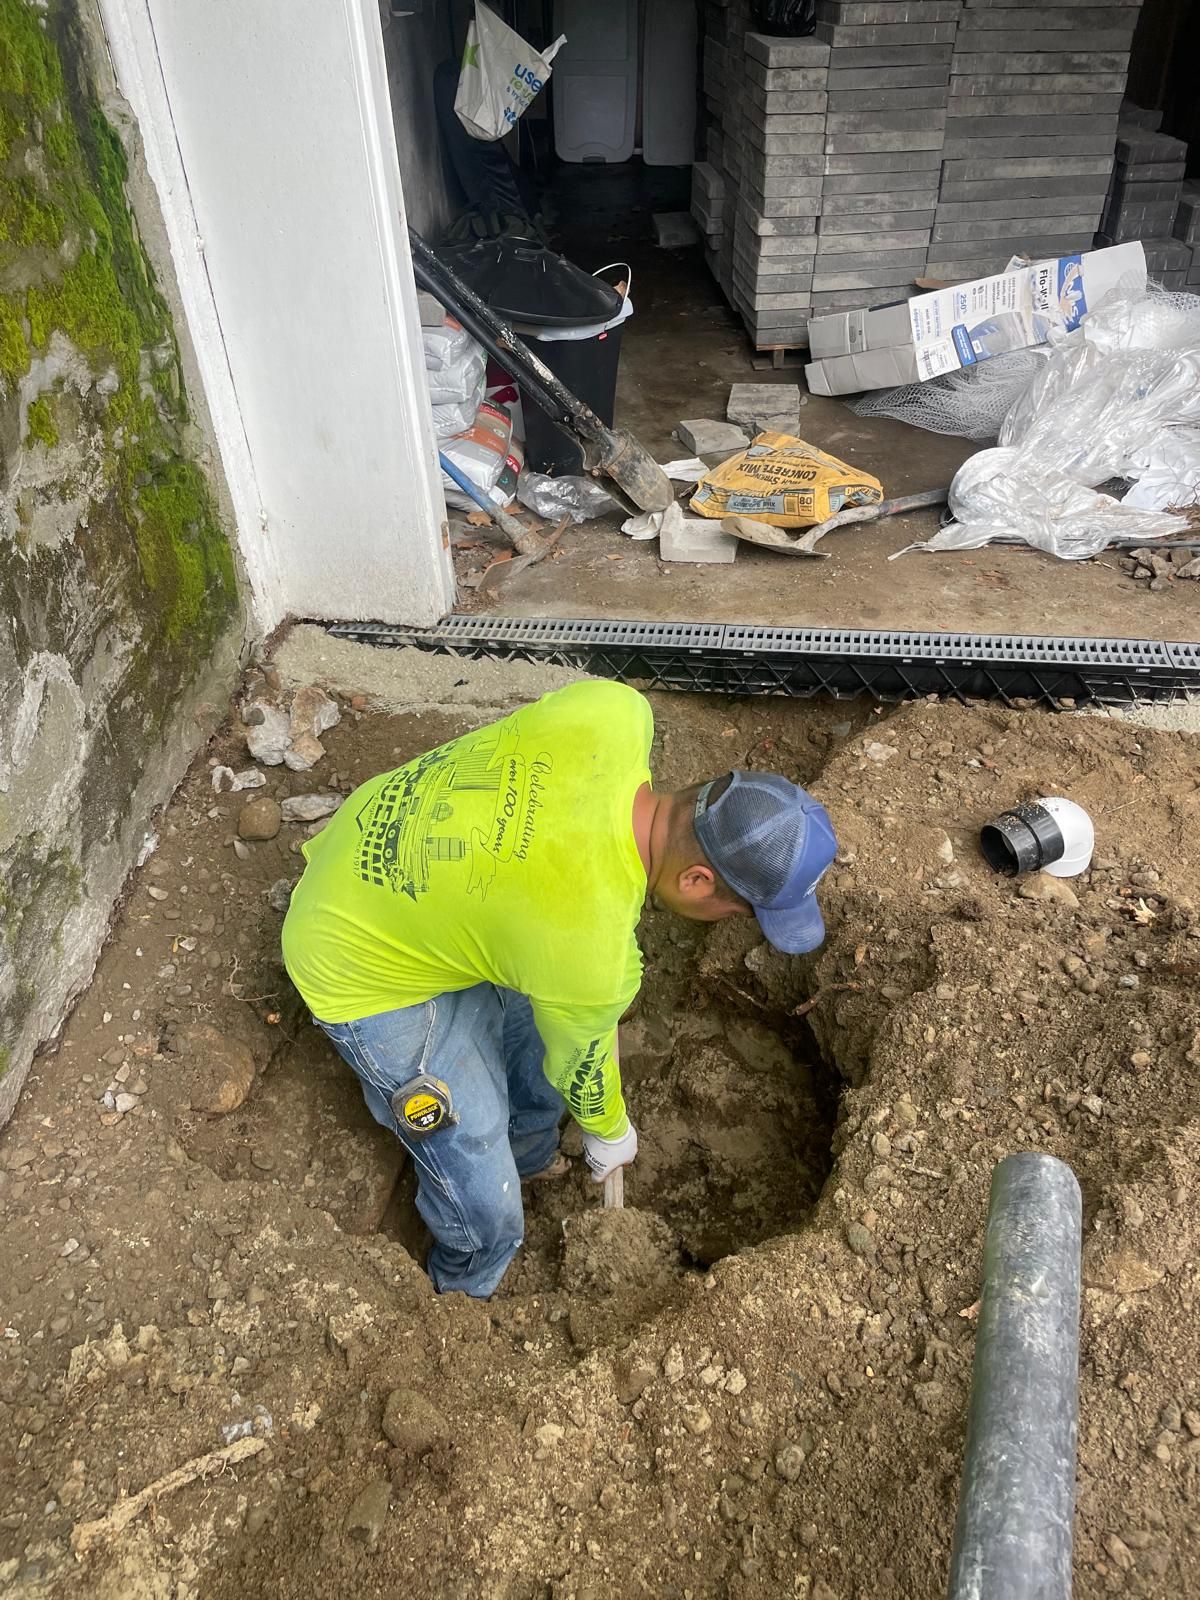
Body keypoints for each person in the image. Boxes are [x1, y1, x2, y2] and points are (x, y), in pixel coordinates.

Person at [281, 680, 836, 1298]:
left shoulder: (615, 711)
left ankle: (530, 1154)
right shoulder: (590, 949)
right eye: (739, 911)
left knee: (540, 1030)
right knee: (478, 1174)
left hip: (392, 850)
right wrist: (607, 1128)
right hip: (357, 960)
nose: (734, 924)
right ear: (699, 880)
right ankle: (462, 1294)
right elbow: (584, 1062)